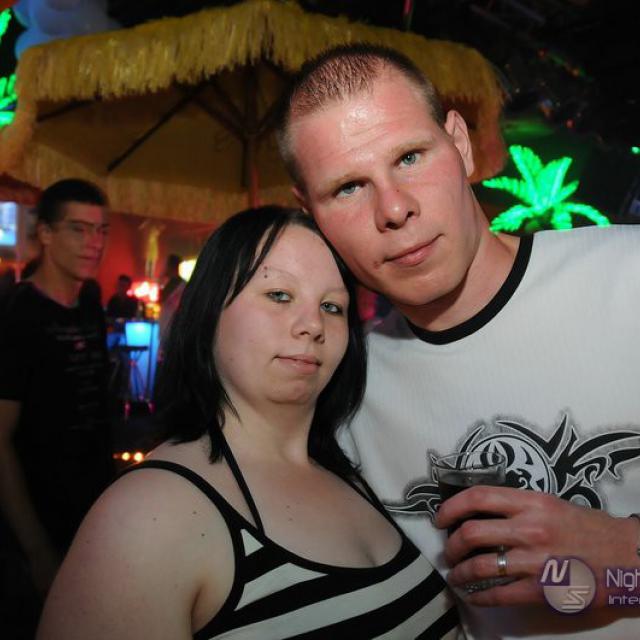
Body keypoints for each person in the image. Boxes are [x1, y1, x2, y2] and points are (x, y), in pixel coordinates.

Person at [276, 43, 640, 639]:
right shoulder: (343, 400)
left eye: (410, 157)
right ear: (309, 211)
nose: (394, 208)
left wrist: (627, 561)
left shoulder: (629, 278)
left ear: (461, 144)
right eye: (347, 188)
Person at [37, 206, 460, 639]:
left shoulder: (363, 465)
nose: (313, 325)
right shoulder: (145, 517)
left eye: (332, 306)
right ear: (209, 310)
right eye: (279, 295)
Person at [0, 179, 114, 635]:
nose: (94, 243)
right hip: (33, 524)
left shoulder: (90, 304)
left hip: (87, 517)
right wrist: (36, 549)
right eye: (78, 229)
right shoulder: (18, 314)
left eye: (101, 230)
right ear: (45, 233)